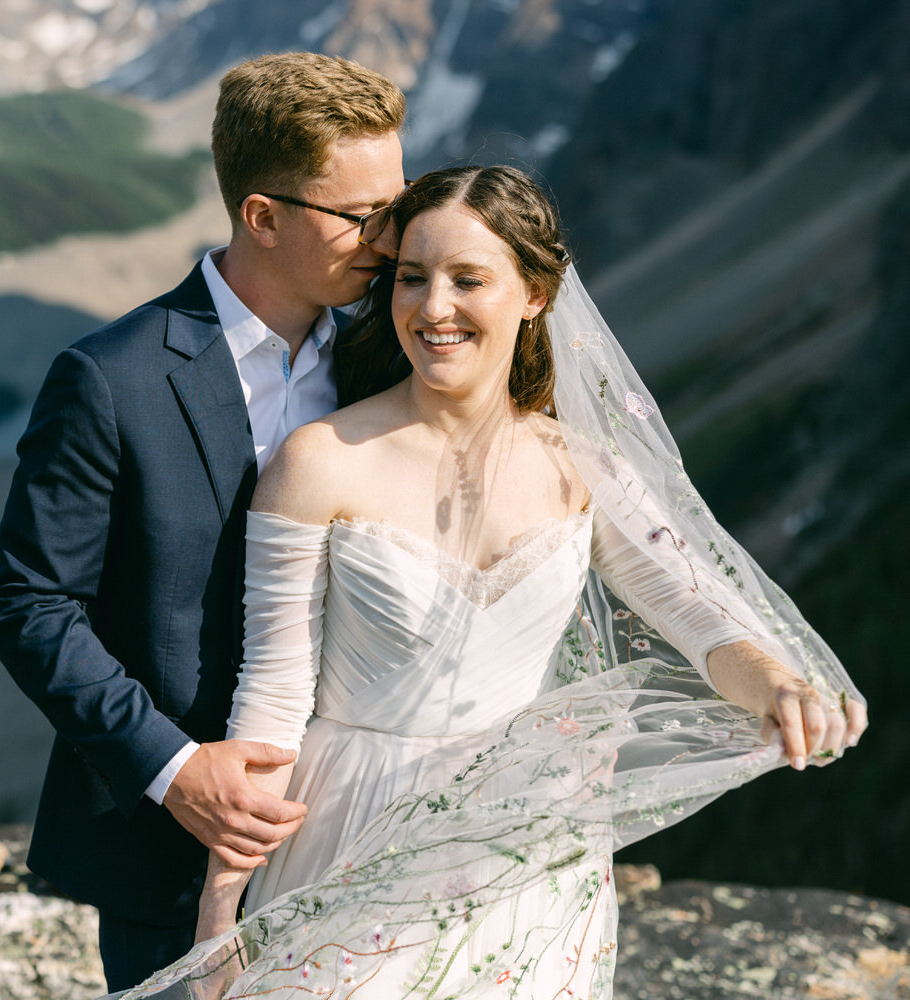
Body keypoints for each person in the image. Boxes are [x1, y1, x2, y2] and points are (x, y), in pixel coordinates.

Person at [120, 165, 868, 999]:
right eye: (411, 277)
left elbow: (694, 608)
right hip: (346, 833)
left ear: (536, 294)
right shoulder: (319, 462)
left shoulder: (583, 465)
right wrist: (224, 910)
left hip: (530, 857)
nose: (432, 307)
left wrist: (773, 681)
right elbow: (273, 697)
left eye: (467, 279)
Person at [0, 52, 408, 991]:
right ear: (262, 215)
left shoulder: (396, 353)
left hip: (364, 840)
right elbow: (29, 604)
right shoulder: (110, 377)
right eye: (361, 216)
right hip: (170, 858)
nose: (391, 241)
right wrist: (176, 771)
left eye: (397, 204)